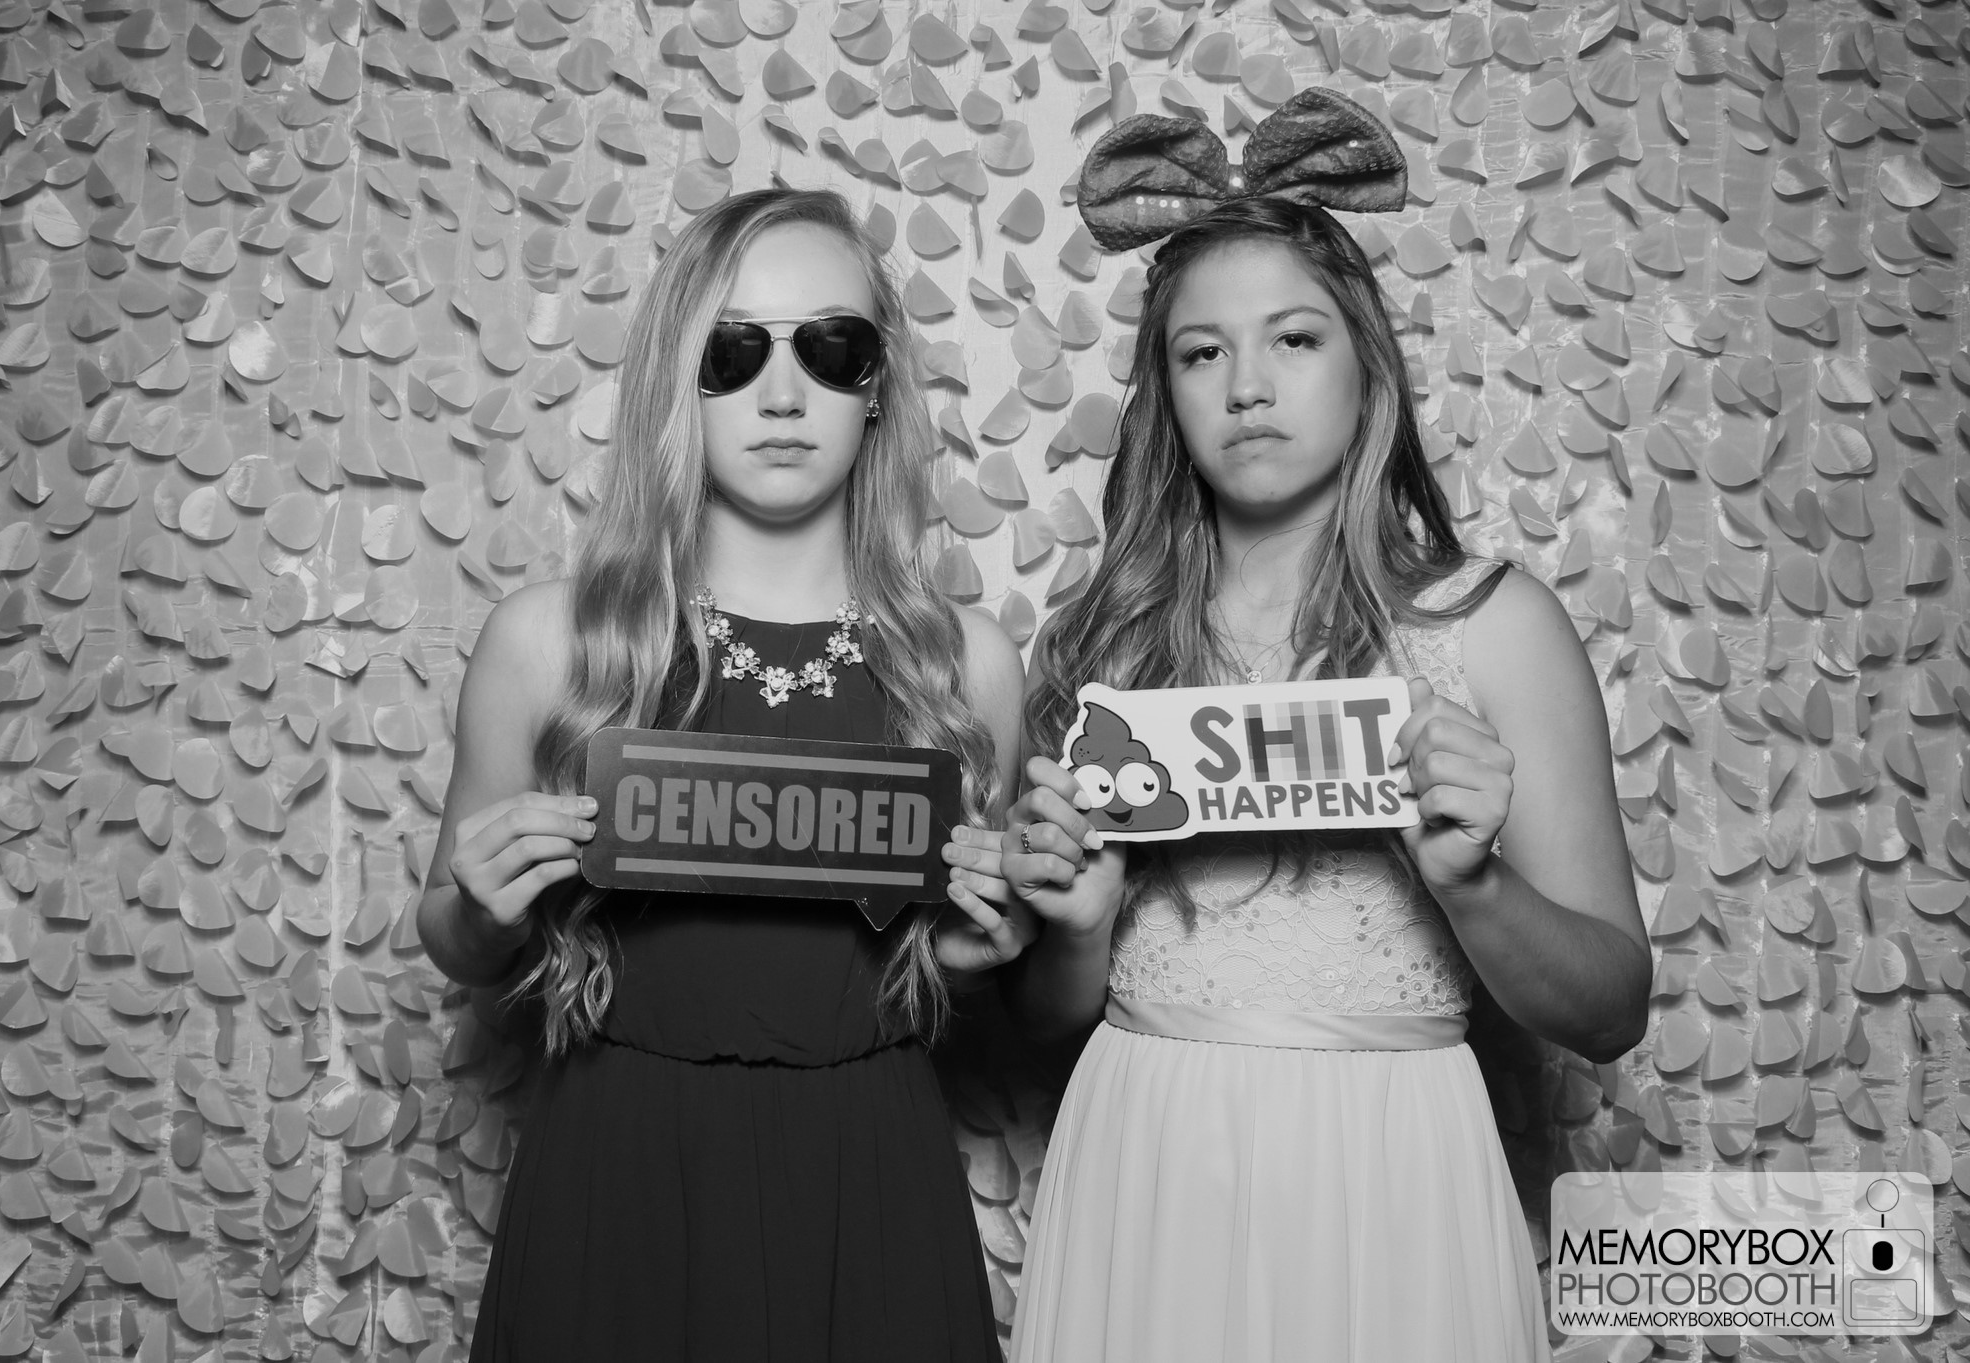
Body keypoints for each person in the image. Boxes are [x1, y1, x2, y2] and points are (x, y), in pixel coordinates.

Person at [998, 91, 1652, 1363]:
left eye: (1292, 339)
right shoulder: (1105, 647)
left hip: (1393, 1166)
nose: (1246, 387)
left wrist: (1471, 886)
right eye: (1200, 354)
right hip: (1147, 1157)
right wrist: (1071, 929)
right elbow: (1041, 1022)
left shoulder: (1491, 627)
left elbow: (1610, 1007)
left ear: (1366, 367)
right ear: (1163, 393)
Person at [416, 187, 1031, 1362]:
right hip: (617, 1169)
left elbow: (974, 968)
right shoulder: (549, 642)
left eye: (831, 349)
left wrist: (981, 945)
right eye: (731, 352)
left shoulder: (964, 667)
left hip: (869, 1172)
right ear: (674, 377)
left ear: (877, 385)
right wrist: (483, 911)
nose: (782, 395)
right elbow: (452, 932)